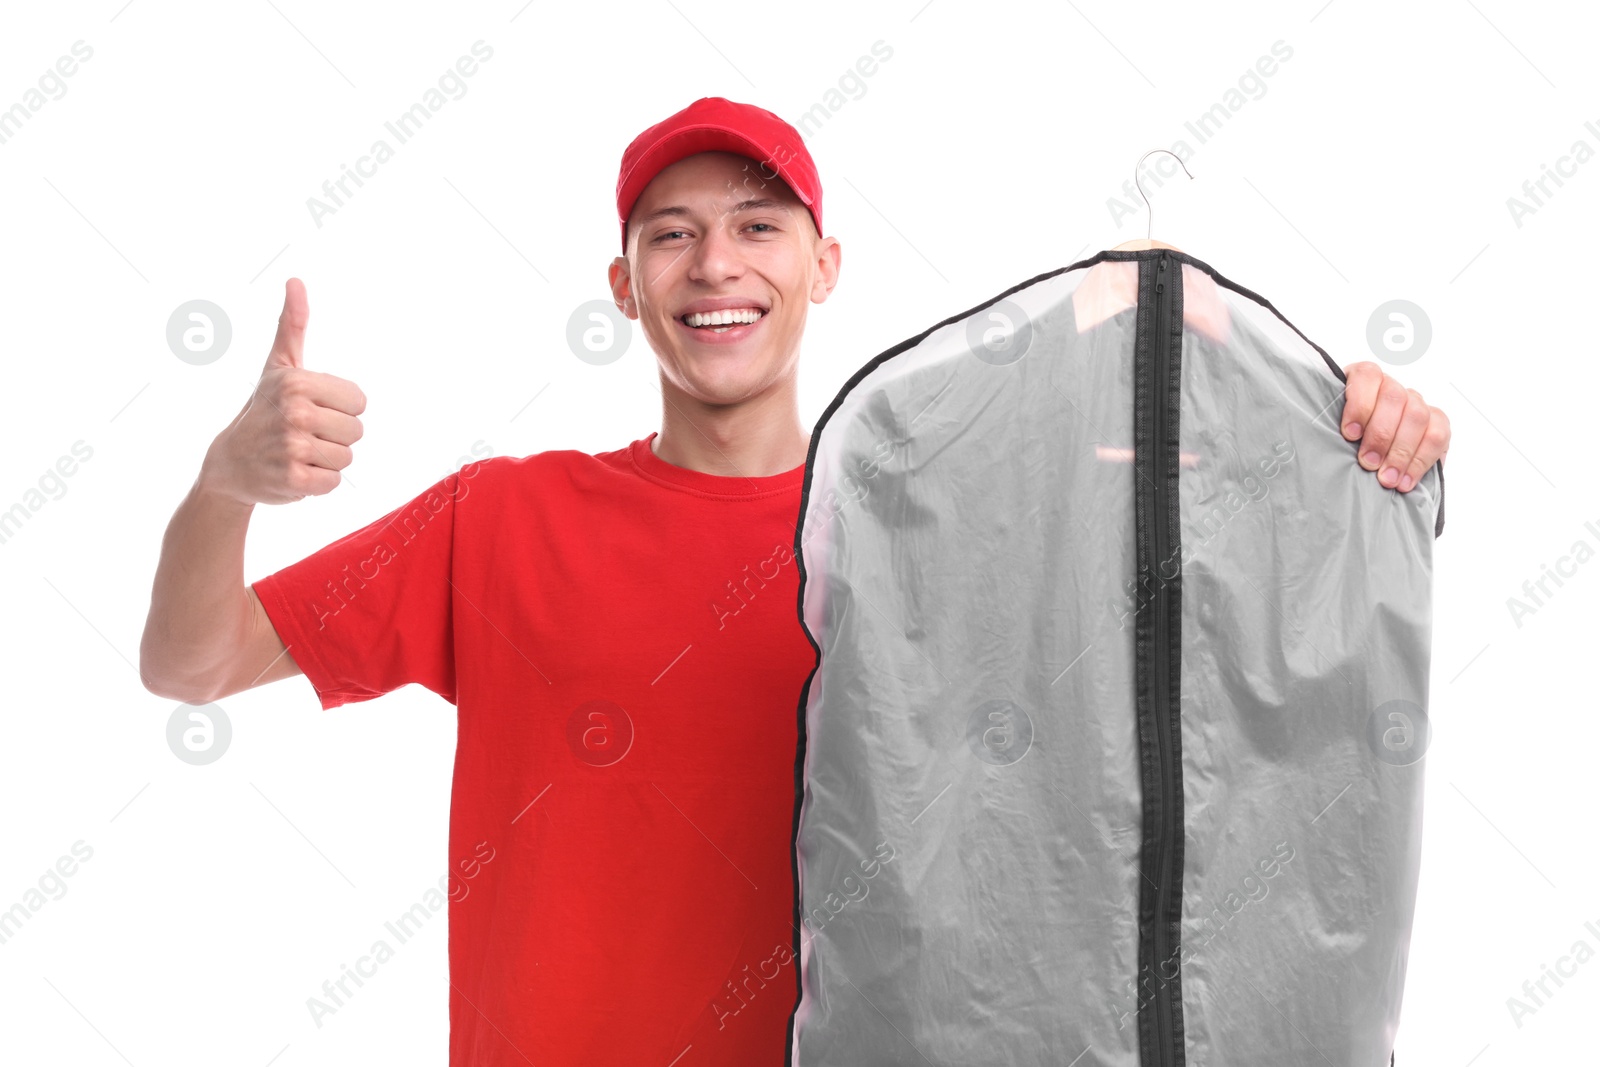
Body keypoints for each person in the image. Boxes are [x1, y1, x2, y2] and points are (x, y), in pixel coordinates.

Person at [138, 96, 1452, 1066]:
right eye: (673, 236)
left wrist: (1363, 438)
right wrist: (225, 484)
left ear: (824, 269)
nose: (716, 266)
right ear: (624, 286)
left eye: (758, 228)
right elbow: (189, 665)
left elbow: (1192, 638)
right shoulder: (503, 516)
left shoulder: (952, 532)